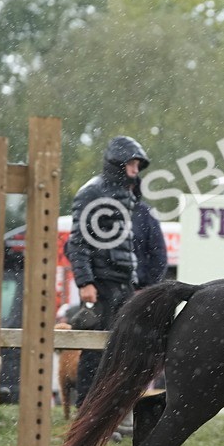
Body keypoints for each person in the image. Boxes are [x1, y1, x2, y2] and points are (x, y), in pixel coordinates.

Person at [65, 135, 148, 407]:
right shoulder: (92, 191)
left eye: (138, 165)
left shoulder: (125, 194)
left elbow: (124, 243)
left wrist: (132, 281)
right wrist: (86, 281)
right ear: (119, 163)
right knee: (95, 350)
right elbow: (77, 242)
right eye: (132, 164)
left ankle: (109, 411)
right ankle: (87, 412)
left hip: (122, 283)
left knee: (120, 349)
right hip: (101, 284)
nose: (136, 170)